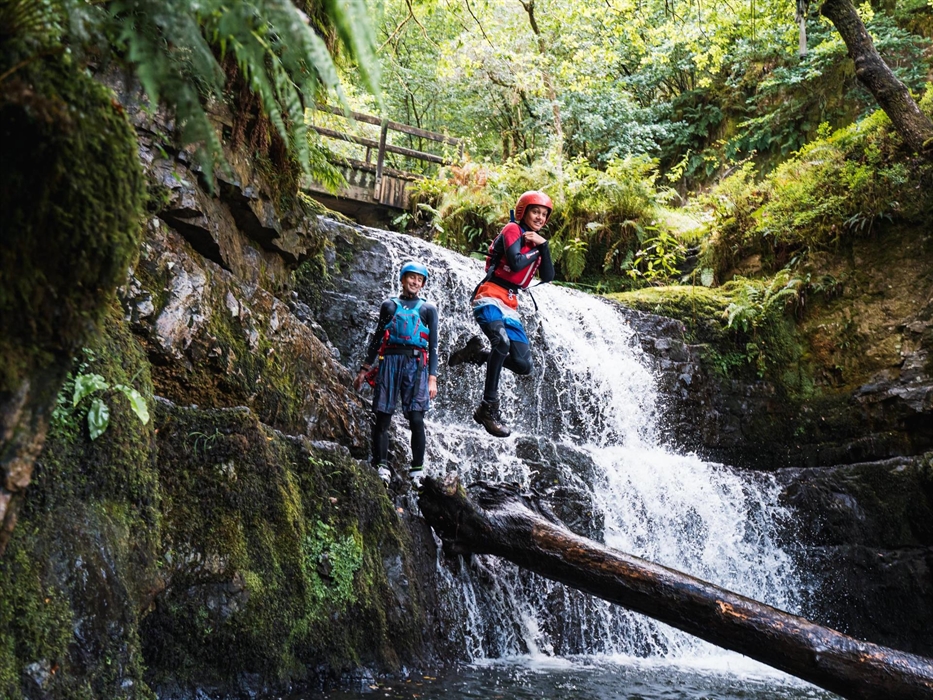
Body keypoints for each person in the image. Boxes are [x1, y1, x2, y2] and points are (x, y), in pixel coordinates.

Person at [448, 191, 555, 438]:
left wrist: (544, 246)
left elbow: (548, 276)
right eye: (535, 211)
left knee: (523, 364)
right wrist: (536, 250)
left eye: (543, 214)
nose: (539, 217)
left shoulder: (536, 241)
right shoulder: (512, 230)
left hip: (511, 302)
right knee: (502, 342)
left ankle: (477, 354)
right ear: (523, 211)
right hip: (489, 294)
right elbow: (516, 263)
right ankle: (488, 407)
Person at [353, 260, 438, 489]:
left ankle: (417, 470)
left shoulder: (428, 309)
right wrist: (364, 370)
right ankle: (381, 465)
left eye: (419, 279)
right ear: (402, 279)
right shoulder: (389, 306)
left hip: (416, 365)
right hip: (389, 362)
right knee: (383, 416)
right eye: (411, 277)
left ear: (423, 284)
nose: (415, 282)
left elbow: (433, 346)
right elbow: (377, 338)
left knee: (416, 418)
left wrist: (433, 377)